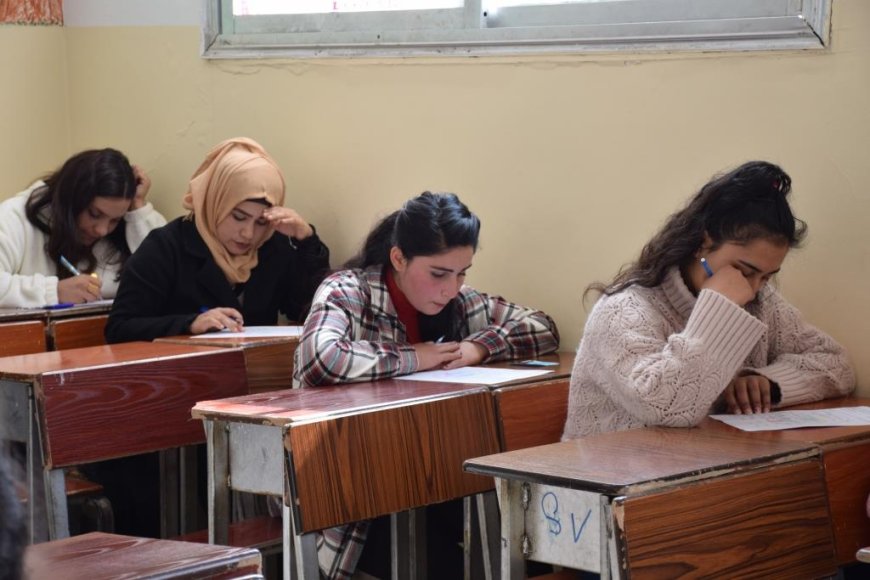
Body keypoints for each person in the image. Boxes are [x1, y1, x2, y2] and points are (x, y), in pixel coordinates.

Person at [294, 191, 559, 579]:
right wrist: (415, 357)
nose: (451, 288)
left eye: (462, 272)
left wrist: (477, 347)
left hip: (436, 475)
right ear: (398, 258)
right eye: (438, 274)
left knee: (523, 544)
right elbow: (320, 358)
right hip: (358, 497)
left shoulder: (458, 303)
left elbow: (542, 326)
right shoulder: (348, 291)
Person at [562, 160, 855, 440]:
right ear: (704, 241)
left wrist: (766, 382)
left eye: (766, 277)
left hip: (705, 464)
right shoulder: (622, 310)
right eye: (744, 270)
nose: (752, 289)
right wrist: (717, 308)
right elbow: (669, 407)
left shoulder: (761, 304)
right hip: (611, 470)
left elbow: (836, 364)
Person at [105, 137, 330, 343]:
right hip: (187, 371)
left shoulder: (271, 245)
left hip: (259, 369)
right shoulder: (165, 247)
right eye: (238, 217)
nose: (248, 233)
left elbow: (310, 311)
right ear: (215, 204)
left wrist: (306, 241)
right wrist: (189, 324)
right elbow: (120, 329)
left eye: (261, 222)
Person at [0, 148, 165, 308]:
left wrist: (138, 209)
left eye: (115, 220)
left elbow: (166, 275)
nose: (102, 230)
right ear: (71, 199)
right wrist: (53, 292)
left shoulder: (121, 230)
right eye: (94, 214)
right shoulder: (14, 217)